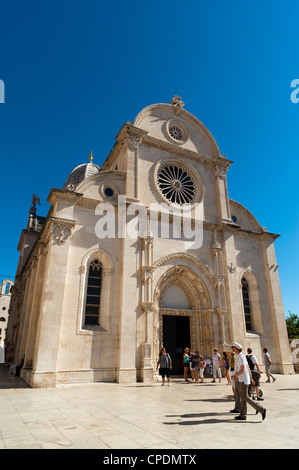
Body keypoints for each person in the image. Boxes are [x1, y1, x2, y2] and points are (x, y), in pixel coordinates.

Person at [231, 342, 266, 421]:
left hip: (243, 379)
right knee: (243, 398)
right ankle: (242, 415)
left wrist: (235, 376)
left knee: (245, 396)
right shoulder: (237, 356)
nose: (232, 349)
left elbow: (243, 369)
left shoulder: (241, 357)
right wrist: (236, 376)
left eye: (233, 347)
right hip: (240, 378)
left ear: (236, 348)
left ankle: (261, 409)